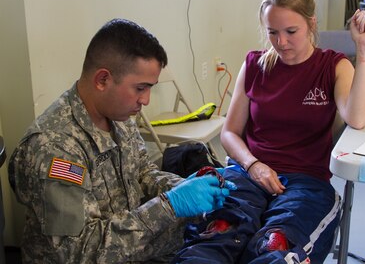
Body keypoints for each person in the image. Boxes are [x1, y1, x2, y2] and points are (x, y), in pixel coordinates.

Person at [172, 0, 365, 263]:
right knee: (219, 233)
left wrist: (364, 50)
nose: (281, 42)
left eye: (291, 31)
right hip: (248, 173)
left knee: (276, 245)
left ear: (311, 23)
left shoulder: (333, 66)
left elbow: (357, 119)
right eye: (272, 32)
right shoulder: (255, 64)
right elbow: (230, 133)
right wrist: (253, 165)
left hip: (305, 181)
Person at [8, 18, 235, 264]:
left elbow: (142, 173)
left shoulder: (119, 115)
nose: (146, 100)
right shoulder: (55, 147)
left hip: (132, 251)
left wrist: (181, 187)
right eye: (140, 88)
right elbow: (78, 251)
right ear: (102, 80)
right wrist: (171, 205)